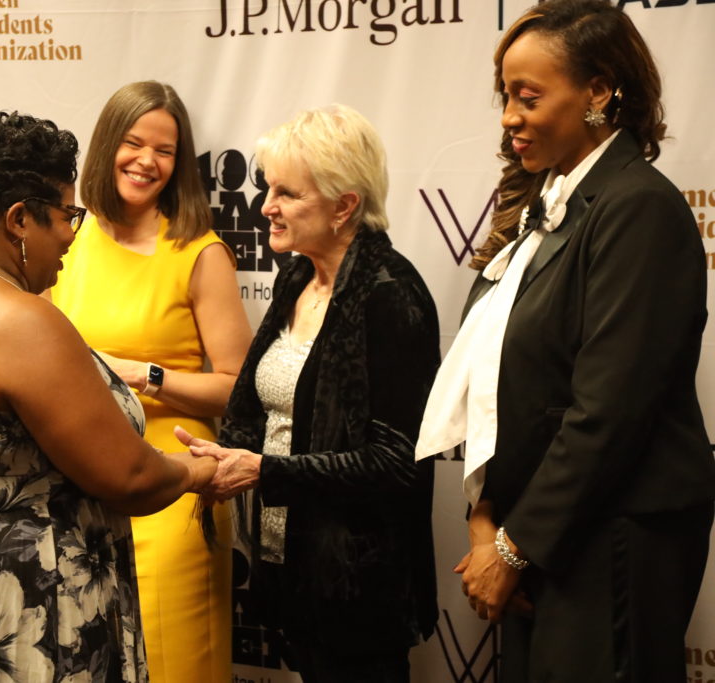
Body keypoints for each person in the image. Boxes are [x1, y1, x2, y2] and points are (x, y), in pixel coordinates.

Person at [415, 1, 715, 680]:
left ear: (600, 92)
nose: (508, 117)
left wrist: (516, 548)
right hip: (547, 535)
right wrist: (486, 517)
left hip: (612, 539)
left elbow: (606, 412)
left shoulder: (637, 207)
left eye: (528, 97)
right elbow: (499, 376)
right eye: (505, 97)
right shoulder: (548, 203)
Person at [0, 111, 219, 682]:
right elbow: (128, 477)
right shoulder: (20, 320)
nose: (69, 235)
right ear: (18, 220)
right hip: (16, 595)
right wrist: (200, 472)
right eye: (65, 215)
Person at [180, 105, 439, 682]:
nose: (265, 206)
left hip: (357, 587)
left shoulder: (390, 295)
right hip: (288, 569)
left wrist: (263, 471)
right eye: (268, 188)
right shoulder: (296, 275)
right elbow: (255, 399)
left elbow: (395, 463)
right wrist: (224, 460)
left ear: (344, 205)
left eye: (287, 193)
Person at [50, 81, 251, 683]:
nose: (146, 161)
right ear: (107, 144)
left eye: (164, 150)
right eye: (133, 143)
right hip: (78, 490)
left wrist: (147, 376)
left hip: (174, 488)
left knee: (173, 665)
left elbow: (238, 388)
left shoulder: (198, 252)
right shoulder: (70, 238)